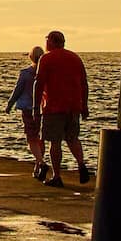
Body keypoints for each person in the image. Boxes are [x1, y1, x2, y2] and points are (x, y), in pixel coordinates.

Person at [32, 30, 90, 187]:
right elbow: (84, 83)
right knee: (73, 138)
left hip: (53, 106)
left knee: (54, 142)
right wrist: (84, 105)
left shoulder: (46, 58)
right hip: (73, 106)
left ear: (50, 42)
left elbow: (39, 83)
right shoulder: (75, 58)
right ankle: (81, 164)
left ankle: (57, 176)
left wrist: (36, 106)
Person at [6, 47, 49, 181]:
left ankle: (41, 163)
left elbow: (18, 90)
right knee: (41, 137)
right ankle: (37, 166)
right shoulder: (47, 73)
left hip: (28, 108)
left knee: (31, 137)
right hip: (43, 108)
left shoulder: (25, 73)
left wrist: (10, 104)